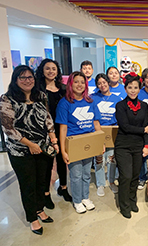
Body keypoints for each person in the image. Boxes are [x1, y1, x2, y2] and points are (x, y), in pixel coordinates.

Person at [0, 65, 58, 235]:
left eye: (30, 77)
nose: (28, 80)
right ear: (15, 79)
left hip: (43, 147)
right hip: (20, 151)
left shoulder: (40, 95)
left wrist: (53, 138)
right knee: (28, 184)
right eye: (23, 77)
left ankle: (40, 209)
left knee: (42, 180)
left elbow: (47, 118)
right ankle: (32, 217)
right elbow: (8, 128)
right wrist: (30, 144)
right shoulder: (7, 99)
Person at [56, 71, 103, 214]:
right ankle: (77, 200)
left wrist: (100, 143)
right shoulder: (65, 103)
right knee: (76, 175)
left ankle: (85, 197)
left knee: (86, 173)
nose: (79, 85)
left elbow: (96, 124)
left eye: (82, 82)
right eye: (76, 81)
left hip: (88, 142)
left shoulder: (90, 101)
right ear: (70, 84)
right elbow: (63, 129)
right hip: (74, 144)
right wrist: (63, 150)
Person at [36, 58, 72, 209]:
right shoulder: (37, 89)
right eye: (47, 68)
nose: (51, 71)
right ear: (42, 71)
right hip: (45, 131)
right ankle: (45, 193)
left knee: (63, 159)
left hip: (62, 128)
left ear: (57, 71)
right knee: (48, 163)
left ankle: (63, 188)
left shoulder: (63, 88)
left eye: (53, 68)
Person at [114, 72, 148, 219]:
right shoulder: (120, 105)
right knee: (126, 176)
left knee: (135, 176)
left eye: (136, 87)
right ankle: (124, 205)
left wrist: (147, 144)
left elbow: (147, 126)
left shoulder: (144, 106)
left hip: (138, 146)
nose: (133, 90)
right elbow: (124, 126)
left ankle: (132, 200)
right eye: (130, 87)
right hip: (123, 145)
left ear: (139, 88)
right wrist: (143, 130)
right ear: (125, 88)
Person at [91, 73, 121, 196]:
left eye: (104, 82)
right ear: (97, 85)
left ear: (108, 82)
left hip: (112, 131)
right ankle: (100, 184)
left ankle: (112, 181)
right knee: (99, 159)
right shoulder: (92, 98)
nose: (102, 85)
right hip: (98, 131)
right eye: (99, 83)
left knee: (111, 159)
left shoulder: (116, 99)